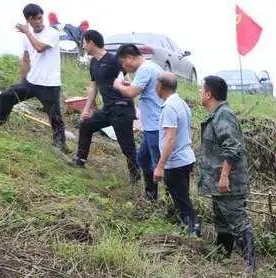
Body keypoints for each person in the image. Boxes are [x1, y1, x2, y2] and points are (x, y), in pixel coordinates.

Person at [0, 4, 67, 153]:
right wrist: (22, 81)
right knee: (7, 95)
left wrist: (28, 32)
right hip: (32, 81)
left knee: (55, 117)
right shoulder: (27, 37)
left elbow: (39, 48)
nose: (39, 21)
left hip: (49, 84)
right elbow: (26, 59)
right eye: (35, 19)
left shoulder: (52, 33)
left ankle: (60, 145)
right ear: (29, 20)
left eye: (40, 18)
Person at [67, 30, 139, 182]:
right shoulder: (93, 63)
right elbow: (94, 88)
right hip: (107, 109)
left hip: (121, 109)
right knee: (86, 124)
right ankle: (80, 160)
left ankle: (136, 177)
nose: (83, 46)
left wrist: (127, 86)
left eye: (84, 43)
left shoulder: (113, 60)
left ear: (91, 43)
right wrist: (86, 109)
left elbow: (127, 80)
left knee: (127, 147)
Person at [199, 75, 254, 270]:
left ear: (208, 93)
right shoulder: (216, 115)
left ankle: (250, 265)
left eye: (201, 90)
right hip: (217, 182)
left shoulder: (224, 115)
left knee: (238, 222)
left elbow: (233, 148)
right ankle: (223, 258)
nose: (199, 93)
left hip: (228, 183)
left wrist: (223, 177)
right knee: (221, 222)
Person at [112, 43, 164, 201]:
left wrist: (118, 85)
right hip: (151, 126)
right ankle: (150, 197)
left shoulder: (145, 69)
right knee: (142, 159)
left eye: (123, 63)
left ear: (130, 57)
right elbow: (138, 87)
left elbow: (131, 93)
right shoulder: (150, 67)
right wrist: (128, 85)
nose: (123, 67)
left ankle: (171, 203)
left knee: (160, 167)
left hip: (156, 126)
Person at [153, 72, 198, 237]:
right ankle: (189, 227)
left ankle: (192, 230)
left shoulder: (169, 108)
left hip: (177, 161)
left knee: (181, 199)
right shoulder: (182, 103)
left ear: (159, 86)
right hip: (186, 157)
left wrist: (160, 166)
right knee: (183, 197)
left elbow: (170, 139)